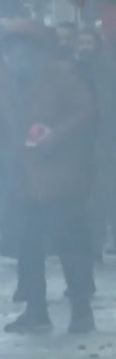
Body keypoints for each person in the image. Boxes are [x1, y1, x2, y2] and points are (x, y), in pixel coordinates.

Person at [0, 22, 97, 334]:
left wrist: (54, 136)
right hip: (24, 175)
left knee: (69, 244)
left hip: (61, 174)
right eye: (11, 47)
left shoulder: (61, 75)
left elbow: (87, 112)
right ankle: (36, 310)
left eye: (23, 46)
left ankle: (82, 311)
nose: (16, 53)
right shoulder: (3, 80)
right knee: (27, 244)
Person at [73, 29, 116, 260]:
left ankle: (97, 244)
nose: (84, 47)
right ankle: (90, 247)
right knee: (82, 201)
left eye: (88, 42)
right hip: (77, 147)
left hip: (104, 145)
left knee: (104, 197)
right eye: (81, 42)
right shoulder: (70, 71)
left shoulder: (107, 72)